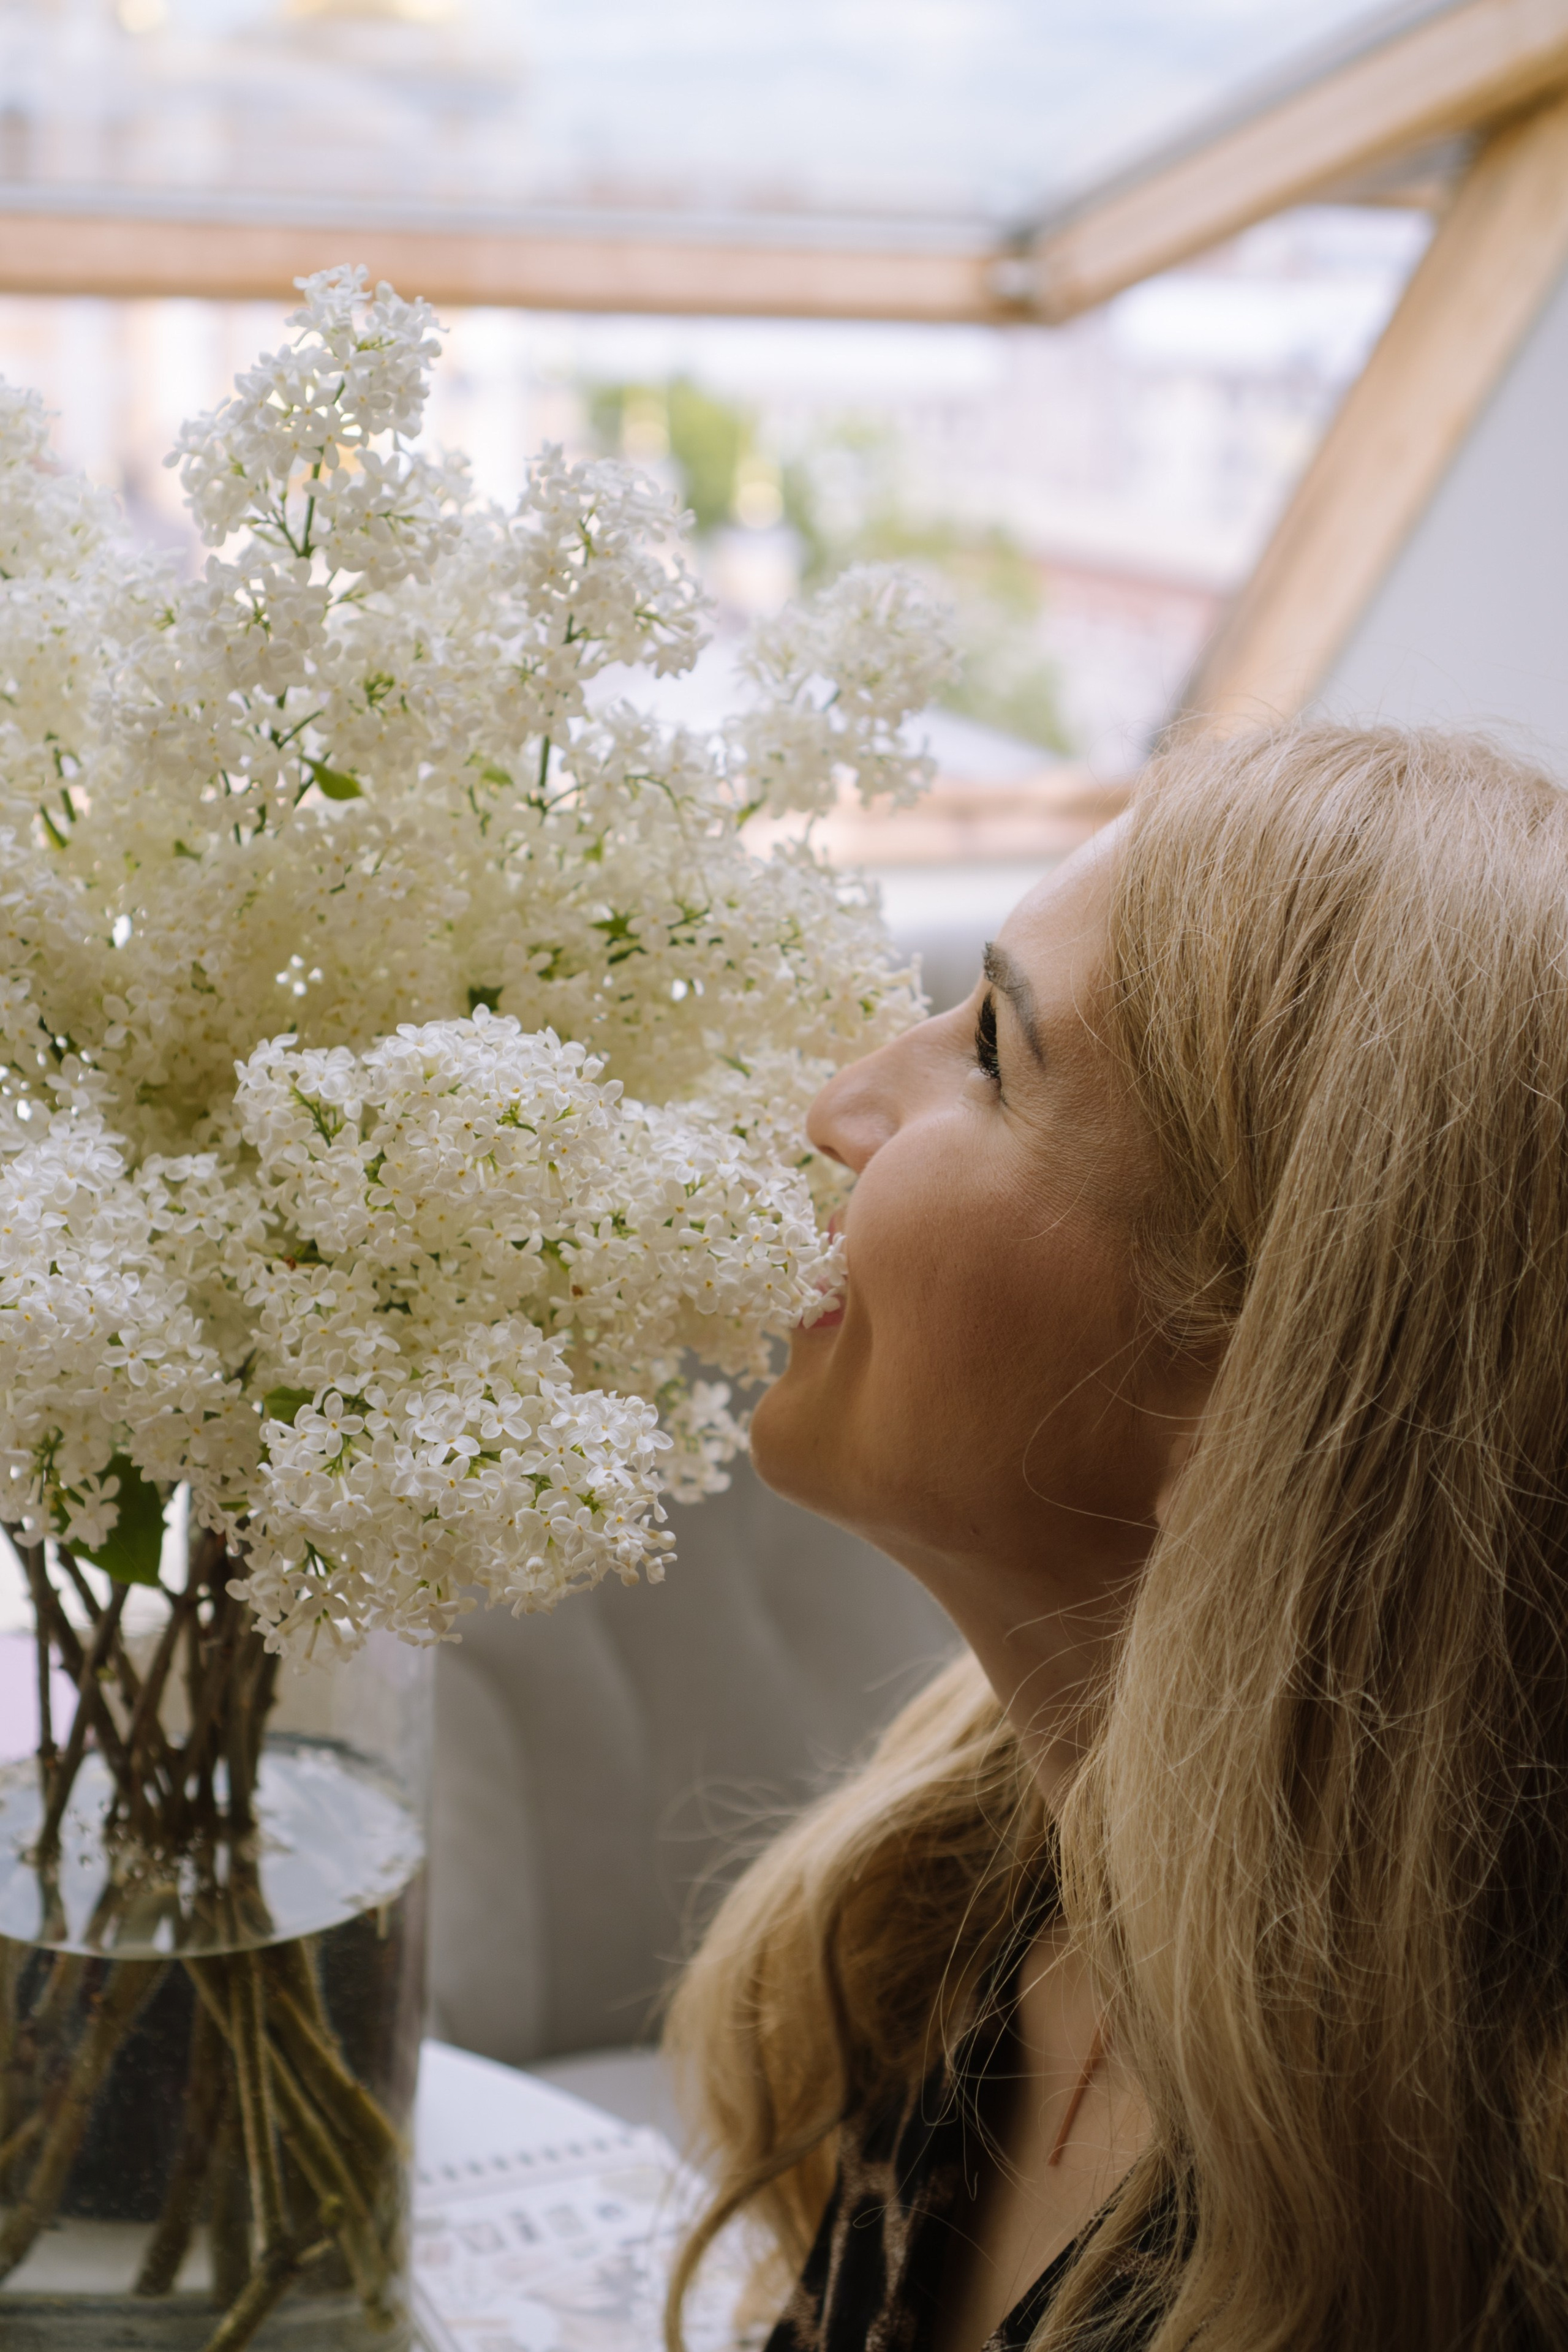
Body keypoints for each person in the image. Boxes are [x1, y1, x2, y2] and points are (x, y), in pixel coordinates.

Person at [663, 725, 1568, 2352]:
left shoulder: (1483, 2254)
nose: (841, 1101)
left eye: (994, 1054)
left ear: (1263, 1394)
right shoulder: (946, 1906)